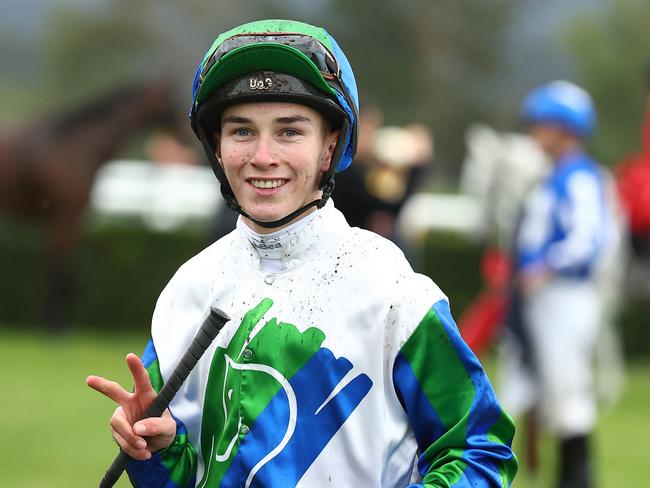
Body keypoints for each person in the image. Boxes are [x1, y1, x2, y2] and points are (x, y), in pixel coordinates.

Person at [87, 19, 517, 487]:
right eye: (242, 132)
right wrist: (157, 450)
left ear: (329, 146)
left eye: (289, 132)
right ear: (217, 146)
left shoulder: (395, 291)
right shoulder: (187, 292)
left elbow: (478, 448)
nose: (263, 156)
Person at [505, 80, 612, 488]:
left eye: (541, 125)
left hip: (563, 297)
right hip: (543, 300)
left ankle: (577, 480)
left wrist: (545, 267)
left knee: (568, 393)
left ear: (564, 128)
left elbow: (586, 240)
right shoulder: (554, 177)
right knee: (542, 387)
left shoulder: (579, 178)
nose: (534, 133)